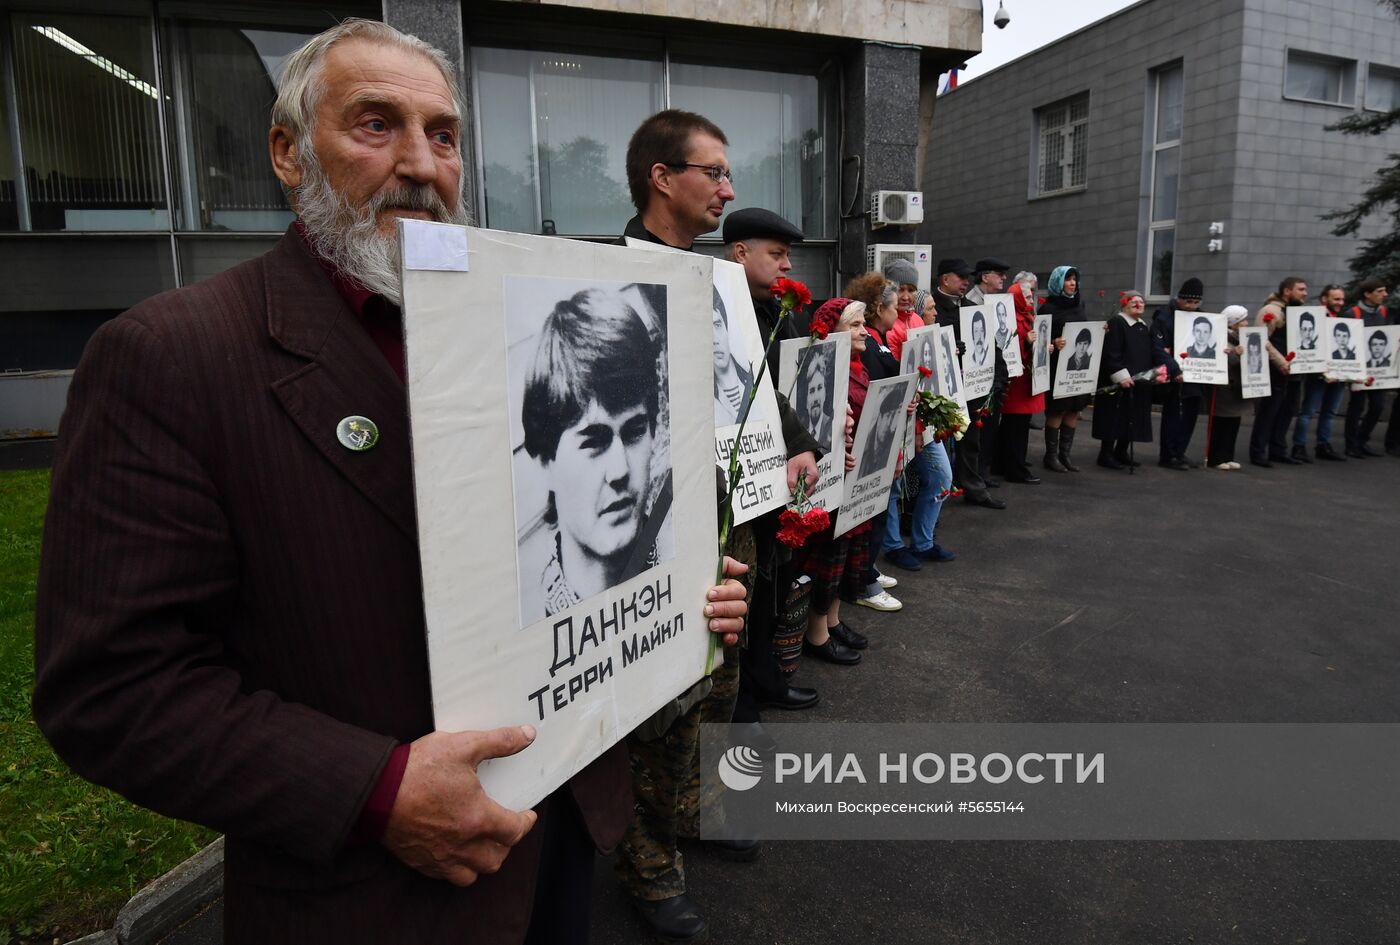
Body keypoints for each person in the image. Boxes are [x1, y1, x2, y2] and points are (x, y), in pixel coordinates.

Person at [32, 22, 750, 945]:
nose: (420, 164)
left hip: (565, 825)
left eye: (443, 135)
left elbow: (558, 539)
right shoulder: (173, 356)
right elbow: (111, 688)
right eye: (376, 125)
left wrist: (675, 593)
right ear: (289, 155)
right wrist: (374, 791)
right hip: (372, 897)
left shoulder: (519, 326)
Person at [620, 110, 819, 941]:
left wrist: (795, 446)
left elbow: (752, 387)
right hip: (655, 531)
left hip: (730, 521)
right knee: (662, 697)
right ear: (663, 178)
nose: (728, 190)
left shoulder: (722, 284)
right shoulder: (604, 273)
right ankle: (647, 857)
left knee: (722, 681)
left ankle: (696, 811)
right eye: (713, 172)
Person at [722, 206, 821, 715]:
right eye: (776, 254)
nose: (787, 266)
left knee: (769, 578)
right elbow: (750, 387)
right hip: (736, 471)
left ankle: (764, 679)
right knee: (742, 586)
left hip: (770, 466)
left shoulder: (773, 309)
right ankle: (741, 703)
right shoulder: (723, 307)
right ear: (740, 252)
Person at [522, 289, 669, 618]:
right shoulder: (522, 622)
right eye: (593, 441)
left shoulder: (686, 561)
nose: (620, 472)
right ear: (546, 460)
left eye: (633, 432)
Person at [801, 298, 875, 667]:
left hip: (856, 477)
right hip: (834, 483)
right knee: (830, 553)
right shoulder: (825, 370)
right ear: (835, 331)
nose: (864, 331)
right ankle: (816, 634)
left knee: (848, 552)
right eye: (856, 325)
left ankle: (832, 620)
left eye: (863, 324)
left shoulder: (857, 366)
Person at [933, 257, 1007, 508]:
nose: (966, 282)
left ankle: (974, 488)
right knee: (938, 443)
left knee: (971, 439)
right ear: (945, 279)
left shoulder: (971, 307)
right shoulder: (932, 308)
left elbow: (990, 344)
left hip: (972, 385)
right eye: (961, 277)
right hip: (942, 387)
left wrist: (999, 375)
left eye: (968, 278)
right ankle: (935, 497)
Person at [1093, 291, 1177, 469]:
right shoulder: (1117, 322)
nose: (1139, 304)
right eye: (1134, 301)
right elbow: (1111, 351)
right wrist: (1121, 376)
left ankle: (1121, 451)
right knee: (1114, 416)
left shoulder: (1142, 325)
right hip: (1121, 381)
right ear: (1124, 304)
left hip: (1139, 381)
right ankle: (1106, 454)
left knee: (1132, 417)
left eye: (1141, 301)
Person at [1249, 276, 1308, 468]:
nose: (1305, 293)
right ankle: (1258, 452)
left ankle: (1277, 449)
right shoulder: (1271, 311)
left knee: (1287, 411)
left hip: (1293, 372)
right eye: (1300, 289)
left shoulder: (1297, 312)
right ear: (1287, 291)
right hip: (1275, 371)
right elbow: (1260, 340)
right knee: (1269, 412)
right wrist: (1281, 362)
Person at [1150, 277, 1205, 470]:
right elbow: (1157, 349)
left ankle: (1180, 452)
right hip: (1175, 375)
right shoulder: (1164, 318)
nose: (1191, 306)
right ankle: (1168, 454)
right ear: (1179, 299)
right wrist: (1174, 369)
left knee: (1190, 415)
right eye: (1188, 301)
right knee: (1173, 415)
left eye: (1196, 302)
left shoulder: (1201, 318)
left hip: (1195, 375)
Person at [994, 272, 1044, 484]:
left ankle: (1005, 463)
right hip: (1017, 384)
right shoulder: (1012, 319)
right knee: (1016, 427)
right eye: (1027, 296)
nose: (1031, 299)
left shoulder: (1026, 316)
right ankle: (1015, 468)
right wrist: (1027, 342)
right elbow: (1008, 350)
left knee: (1015, 425)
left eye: (1032, 296)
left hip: (1023, 381)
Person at [1292, 285, 1347, 461]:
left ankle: (1323, 445)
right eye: (1336, 299)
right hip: (1317, 375)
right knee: (1308, 411)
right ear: (1324, 299)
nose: (1340, 303)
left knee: (1330, 413)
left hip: (1338, 375)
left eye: (1342, 299)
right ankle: (1298, 446)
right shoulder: (1315, 318)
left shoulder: (1343, 320)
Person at [1041, 265, 1088, 473]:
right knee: (1058, 409)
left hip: (1077, 370)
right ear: (1058, 282)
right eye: (1068, 279)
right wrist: (1053, 341)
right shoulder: (1048, 308)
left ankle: (1065, 455)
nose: (1072, 283)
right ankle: (1050, 456)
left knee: (1074, 409)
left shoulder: (1079, 305)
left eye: (1074, 279)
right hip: (1057, 366)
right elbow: (1040, 339)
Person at [1343, 276, 1392, 458]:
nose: (1384, 295)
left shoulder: (1383, 312)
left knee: (1378, 406)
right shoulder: (1353, 313)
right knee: (1356, 406)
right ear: (1367, 294)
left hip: (1377, 369)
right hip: (1358, 368)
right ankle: (1351, 444)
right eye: (1380, 291)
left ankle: (1362, 440)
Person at [1206, 306, 1252, 470]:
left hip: (1236, 387)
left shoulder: (1241, 338)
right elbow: (1221, 359)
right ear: (1233, 323)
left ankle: (1227, 455)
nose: (1246, 323)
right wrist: (1236, 354)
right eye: (1243, 320)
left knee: (1233, 423)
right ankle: (1215, 457)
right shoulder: (1221, 337)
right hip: (1224, 389)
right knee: (1221, 423)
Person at [711, 287, 754, 425]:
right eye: (706, 330)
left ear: (726, 328)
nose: (714, 339)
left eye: (717, 325)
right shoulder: (709, 401)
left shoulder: (752, 378)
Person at [796, 344, 836, 452]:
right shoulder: (799, 431)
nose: (816, 398)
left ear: (825, 393)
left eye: (819, 388)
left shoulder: (833, 427)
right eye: (812, 391)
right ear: (806, 399)